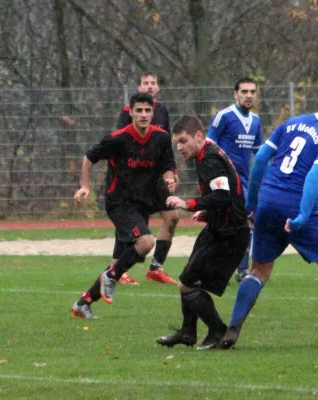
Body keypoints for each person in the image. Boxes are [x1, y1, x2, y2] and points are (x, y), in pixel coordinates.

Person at [218, 84, 318, 349]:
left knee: (259, 269)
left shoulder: (292, 123)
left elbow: (259, 161)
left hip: (268, 200)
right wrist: (304, 213)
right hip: (295, 201)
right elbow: (315, 175)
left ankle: (232, 329)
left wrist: (251, 204)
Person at [71, 92, 177, 319]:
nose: (144, 115)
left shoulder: (161, 138)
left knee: (123, 261)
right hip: (119, 202)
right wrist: (85, 186)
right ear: (130, 113)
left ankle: (84, 302)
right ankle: (110, 277)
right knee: (146, 241)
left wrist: (170, 178)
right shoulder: (118, 139)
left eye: (148, 111)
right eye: (139, 110)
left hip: (142, 203)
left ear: (153, 113)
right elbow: (89, 157)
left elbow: (169, 165)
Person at [156, 115, 250, 349]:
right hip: (220, 227)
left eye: (183, 141)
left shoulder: (208, 158)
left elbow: (222, 196)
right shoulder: (207, 154)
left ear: (199, 136)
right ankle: (188, 332)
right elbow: (227, 195)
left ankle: (218, 331)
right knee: (188, 280)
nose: (179, 148)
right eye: (176, 143)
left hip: (228, 234)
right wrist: (207, 213)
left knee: (187, 284)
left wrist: (188, 204)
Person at [113, 71, 177, 285]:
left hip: (156, 176)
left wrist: (171, 173)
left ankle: (156, 268)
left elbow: (166, 145)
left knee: (173, 216)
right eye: (145, 83)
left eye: (153, 82)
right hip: (134, 178)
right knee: (129, 219)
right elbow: (121, 144)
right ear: (139, 88)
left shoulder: (163, 111)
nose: (150, 86)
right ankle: (118, 268)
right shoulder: (127, 112)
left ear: (158, 87)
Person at [207, 77, 263, 282]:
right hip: (225, 179)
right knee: (232, 221)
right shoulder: (224, 116)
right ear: (235, 94)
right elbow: (208, 146)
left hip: (245, 181)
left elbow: (259, 154)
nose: (248, 95)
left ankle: (240, 269)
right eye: (244, 91)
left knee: (247, 221)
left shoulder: (256, 121)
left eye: (252, 92)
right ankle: (225, 267)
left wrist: (264, 180)